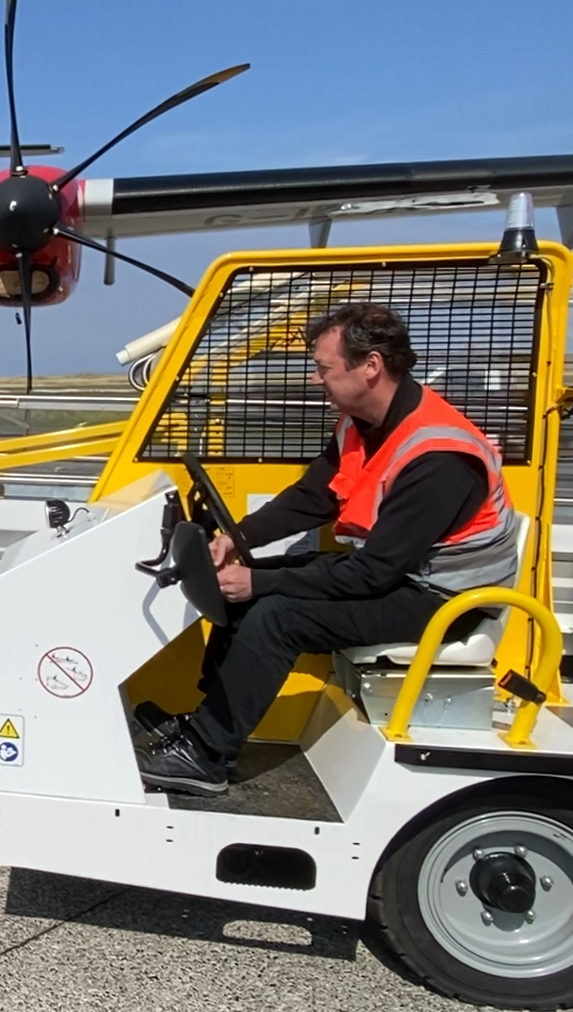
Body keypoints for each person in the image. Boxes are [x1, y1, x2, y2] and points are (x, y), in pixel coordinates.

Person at [137, 303, 519, 796]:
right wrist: (236, 539)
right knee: (248, 588)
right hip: (401, 575)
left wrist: (259, 581)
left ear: (371, 366)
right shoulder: (361, 423)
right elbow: (313, 497)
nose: (317, 380)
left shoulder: (438, 456)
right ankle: (208, 728)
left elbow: (372, 575)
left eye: (324, 369)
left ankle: (207, 757)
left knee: (278, 615)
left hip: (445, 600)